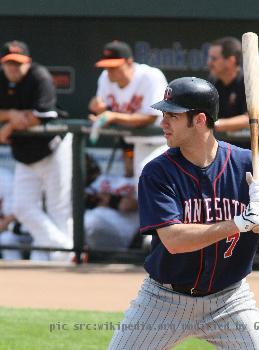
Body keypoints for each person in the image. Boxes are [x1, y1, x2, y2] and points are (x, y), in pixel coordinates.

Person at [108, 77, 259, 350]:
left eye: (172, 116)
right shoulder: (157, 172)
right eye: (164, 114)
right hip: (164, 299)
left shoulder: (247, 163)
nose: (163, 123)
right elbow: (174, 241)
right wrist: (239, 222)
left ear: (199, 120)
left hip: (230, 301)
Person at [0, 40, 73, 261]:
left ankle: (61, 262)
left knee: (57, 209)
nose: (14, 68)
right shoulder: (1, 79)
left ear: (28, 62)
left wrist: (10, 125)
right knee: (23, 207)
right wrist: (12, 114)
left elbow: (40, 115)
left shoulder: (39, 77)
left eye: (18, 63)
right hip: (25, 154)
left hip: (53, 148)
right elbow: (17, 116)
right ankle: (68, 251)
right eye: (9, 63)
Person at [88, 40, 168, 179]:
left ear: (129, 62)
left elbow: (151, 117)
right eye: (106, 67)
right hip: (137, 144)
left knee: (153, 185)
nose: (109, 72)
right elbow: (101, 107)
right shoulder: (105, 79)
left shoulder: (150, 76)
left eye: (114, 67)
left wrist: (113, 116)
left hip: (165, 143)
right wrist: (99, 111)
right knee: (142, 191)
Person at [207, 37, 259, 159]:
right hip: (222, 153)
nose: (209, 63)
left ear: (231, 60)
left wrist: (216, 124)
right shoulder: (213, 82)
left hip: (252, 154)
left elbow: (253, 117)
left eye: (214, 59)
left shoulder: (247, 80)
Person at [84, 149, 139, 252]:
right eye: (129, 153)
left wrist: (107, 199)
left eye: (136, 154)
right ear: (123, 156)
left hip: (118, 232)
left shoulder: (143, 181)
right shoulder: (106, 178)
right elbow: (83, 198)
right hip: (92, 223)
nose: (132, 158)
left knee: (90, 223)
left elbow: (127, 205)